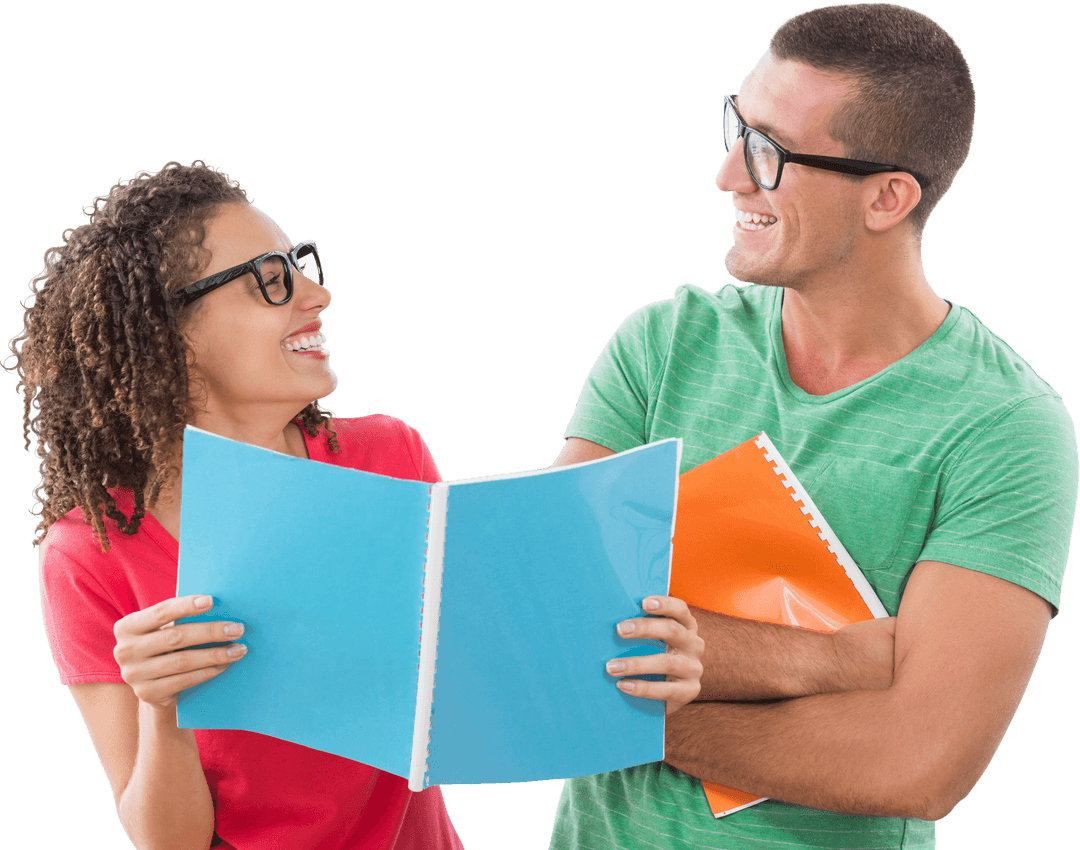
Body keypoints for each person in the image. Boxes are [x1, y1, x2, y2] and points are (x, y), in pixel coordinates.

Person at [8, 160, 704, 850]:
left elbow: (495, 672)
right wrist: (161, 710)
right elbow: (172, 843)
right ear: (173, 334)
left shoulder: (388, 457)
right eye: (272, 280)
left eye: (300, 264)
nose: (319, 294)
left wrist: (636, 656)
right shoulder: (87, 554)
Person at [547, 4, 1078, 850]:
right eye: (735, 127)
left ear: (888, 197)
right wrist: (836, 661)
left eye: (769, 153)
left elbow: (919, 764)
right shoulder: (662, 344)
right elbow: (543, 618)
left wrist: (637, 708)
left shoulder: (1005, 427)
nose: (728, 175)